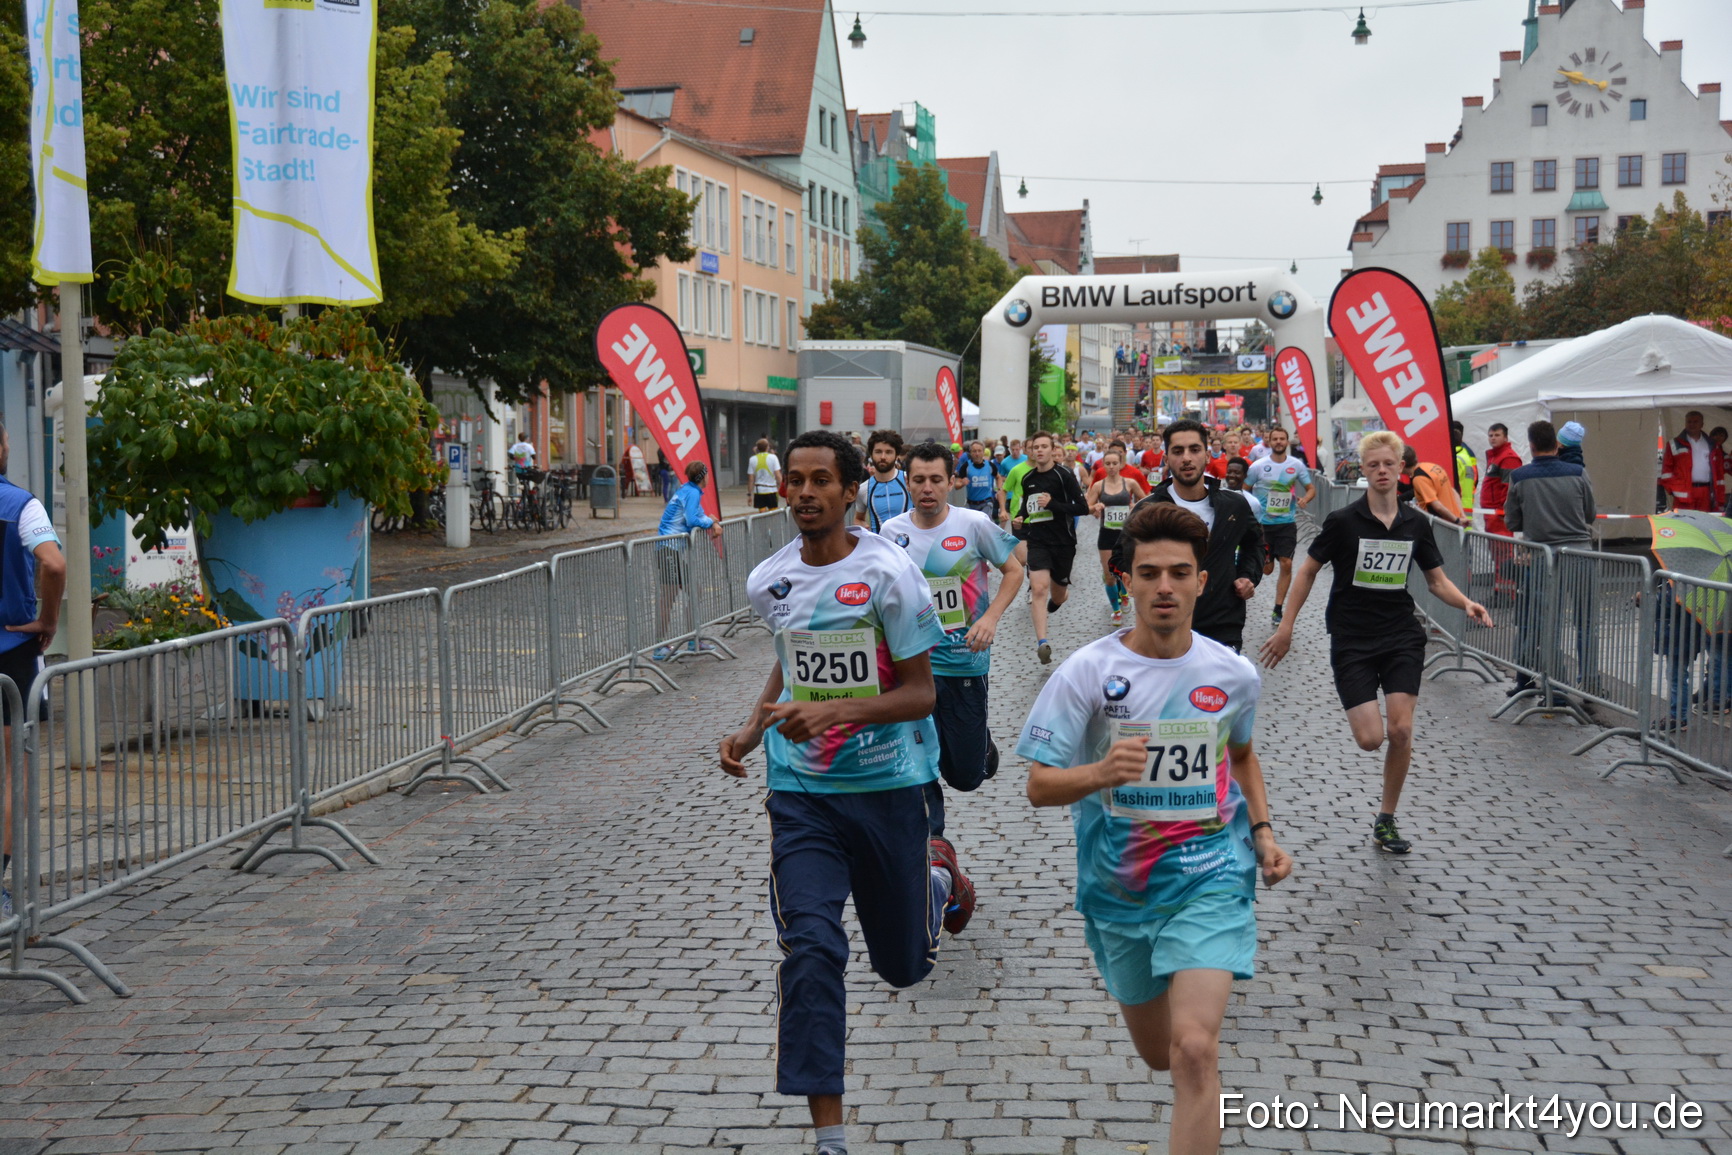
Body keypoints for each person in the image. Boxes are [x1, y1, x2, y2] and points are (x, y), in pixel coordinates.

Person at [720, 430, 972, 1155]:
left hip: (890, 788)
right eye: (794, 480)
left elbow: (922, 692)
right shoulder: (768, 580)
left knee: (902, 967)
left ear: (851, 489)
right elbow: (788, 659)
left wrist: (832, 710)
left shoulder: (891, 574)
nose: (803, 492)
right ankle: (830, 1137)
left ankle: (934, 878)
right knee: (810, 945)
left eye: (819, 480)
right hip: (803, 792)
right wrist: (748, 729)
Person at [1021, 502, 1293, 1155]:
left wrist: (1262, 832)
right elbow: (1037, 785)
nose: (1165, 586)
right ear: (1126, 578)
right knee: (1160, 1053)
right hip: (1120, 891)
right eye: (1150, 573)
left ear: (1203, 580)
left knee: (1196, 1048)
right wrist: (1100, 772)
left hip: (1211, 880)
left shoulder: (1232, 674)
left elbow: (1242, 756)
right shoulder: (1086, 672)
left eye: (1179, 572)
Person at [1260, 431, 1491, 855]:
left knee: (1401, 729)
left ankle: (1386, 818)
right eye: (1373, 465)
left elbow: (1435, 580)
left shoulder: (1415, 522)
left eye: (1389, 464)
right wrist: (1286, 626)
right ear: (1363, 471)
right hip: (1351, 636)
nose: (1382, 471)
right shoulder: (1344, 521)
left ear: (1401, 468)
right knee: (1370, 738)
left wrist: (1466, 603)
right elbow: (1308, 571)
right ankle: (1382, 798)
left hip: (1401, 633)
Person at [882, 443, 1026, 831]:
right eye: (918, 480)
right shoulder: (891, 532)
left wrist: (991, 618)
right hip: (913, 665)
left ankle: (981, 745)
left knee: (964, 776)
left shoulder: (973, 525)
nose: (927, 488)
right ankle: (932, 842)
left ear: (951, 482)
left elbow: (1014, 571)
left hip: (964, 658)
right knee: (919, 763)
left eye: (936, 480)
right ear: (907, 482)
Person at [1118, 420, 1263, 654]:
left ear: (1206, 456)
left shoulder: (1234, 505)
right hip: (1165, 625)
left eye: (1194, 450)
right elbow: (1121, 557)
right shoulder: (1147, 509)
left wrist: (1248, 576)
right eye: (1178, 451)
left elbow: (1254, 543)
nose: (1186, 458)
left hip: (1222, 623)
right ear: (1166, 459)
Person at [0, 421, 63, 920]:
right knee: (15, 775)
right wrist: (49, 619)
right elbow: (55, 565)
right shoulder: (22, 504)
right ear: (3, 447)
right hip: (13, 647)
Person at [1505, 420, 1597, 698]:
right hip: (1581, 553)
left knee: (1548, 622)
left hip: (1542, 557)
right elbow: (1589, 513)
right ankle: (1590, 682)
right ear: (1556, 445)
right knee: (1587, 621)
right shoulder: (1578, 472)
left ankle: (1556, 685)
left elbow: (1511, 521)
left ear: (1531, 446)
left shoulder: (1519, 477)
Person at [1011, 431, 1090, 665]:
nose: (1040, 451)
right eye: (1036, 447)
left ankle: (1058, 600)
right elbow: (1028, 507)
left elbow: (1082, 508)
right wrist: (1020, 517)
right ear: (1031, 451)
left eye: (1044, 447)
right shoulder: (1028, 479)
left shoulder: (1064, 475)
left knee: (1058, 594)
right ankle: (1042, 643)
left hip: (1063, 542)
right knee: (1037, 588)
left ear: (1052, 450)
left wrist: (1053, 504)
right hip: (1038, 541)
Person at [1244, 427, 1315, 626]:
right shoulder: (1258, 466)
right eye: (1274, 439)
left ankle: (1278, 608)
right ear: (1270, 442)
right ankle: (1266, 561)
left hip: (1286, 523)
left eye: (1281, 439)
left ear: (1286, 442)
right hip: (1263, 524)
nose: (1278, 442)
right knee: (1267, 569)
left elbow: (1311, 489)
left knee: (1287, 563)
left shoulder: (1296, 465)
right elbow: (1245, 488)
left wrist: (1305, 500)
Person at [653, 462, 723, 661]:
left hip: (670, 549)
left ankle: (693, 638)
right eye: (708, 474)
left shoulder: (689, 490)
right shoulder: (692, 492)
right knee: (667, 598)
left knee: (694, 590)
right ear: (703, 476)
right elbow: (693, 520)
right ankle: (659, 645)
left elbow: (698, 514)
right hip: (668, 549)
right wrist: (712, 523)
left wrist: (711, 520)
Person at [1086, 448, 1149, 625]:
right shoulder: (1099, 486)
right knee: (1109, 575)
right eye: (1108, 464)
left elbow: (1145, 502)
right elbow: (1087, 507)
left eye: (1115, 463)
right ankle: (1116, 610)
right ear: (1103, 465)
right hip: (1106, 535)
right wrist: (1095, 508)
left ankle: (1123, 592)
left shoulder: (1129, 483)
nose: (1112, 467)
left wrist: (1133, 508)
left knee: (1125, 570)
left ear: (1120, 464)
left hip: (1126, 535)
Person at [1661, 411, 1725, 512]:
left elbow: (1719, 474)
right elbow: (1666, 472)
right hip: (1683, 493)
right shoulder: (1674, 444)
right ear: (1685, 423)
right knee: (1684, 525)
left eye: (1695, 422)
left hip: (1706, 492)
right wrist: (1674, 490)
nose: (1692, 424)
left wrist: (1720, 499)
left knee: (1703, 525)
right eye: (1689, 422)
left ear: (1702, 424)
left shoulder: (1712, 445)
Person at [854, 430, 912, 533]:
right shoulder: (863, 489)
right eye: (878, 452)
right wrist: (863, 529)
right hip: (878, 548)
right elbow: (859, 518)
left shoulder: (911, 481)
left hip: (908, 546)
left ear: (897, 455)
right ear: (871, 455)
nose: (883, 457)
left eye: (888, 452)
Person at [1404, 445, 1469, 527]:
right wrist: (1461, 515)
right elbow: (1453, 492)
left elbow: (1437, 506)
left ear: (1402, 463)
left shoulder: (1419, 478)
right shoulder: (1432, 466)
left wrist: (1457, 521)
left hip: (1442, 525)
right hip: (1453, 521)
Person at [956, 440, 1000, 519]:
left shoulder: (990, 465)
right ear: (971, 453)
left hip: (986, 502)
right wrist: (962, 483)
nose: (977, 454)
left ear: (983, 452)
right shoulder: (966, 466)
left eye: (979, 451)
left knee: (983, 524)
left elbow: (998, 477)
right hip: (971, 504)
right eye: (974, 451)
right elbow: (957, 485)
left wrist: (999, 489)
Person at [1450, 421, 1479, 522]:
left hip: (1459, 500)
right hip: (1467, 498)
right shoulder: (1466, 452)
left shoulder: (1456, 456)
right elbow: (1475, 477)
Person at [748, 438, 783, 511]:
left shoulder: (752, 459)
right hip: (771, 490)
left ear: (757, 448)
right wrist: (783, 488)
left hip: (759, 490)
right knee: (773, 513)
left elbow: (751, 479)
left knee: (762, 514)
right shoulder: (773, 458)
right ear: (768, 447)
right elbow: (778, 475)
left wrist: (749, 494)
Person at [1223, 457, 1262, 521]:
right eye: (1229, 472)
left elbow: (1257, 527)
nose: (1232, 475)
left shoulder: (1253, 502)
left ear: (1245, 475)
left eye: (1237, 472)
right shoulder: (1217, 496)